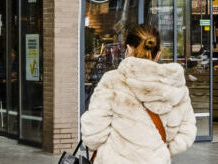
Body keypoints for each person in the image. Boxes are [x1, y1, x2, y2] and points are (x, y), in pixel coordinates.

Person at [80, 25, 195, 164]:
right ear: (158, 53)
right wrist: (158, 151)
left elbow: (93, 134)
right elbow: (186, 133)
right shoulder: (176, 87)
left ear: (128, 49)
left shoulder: (113, 81)